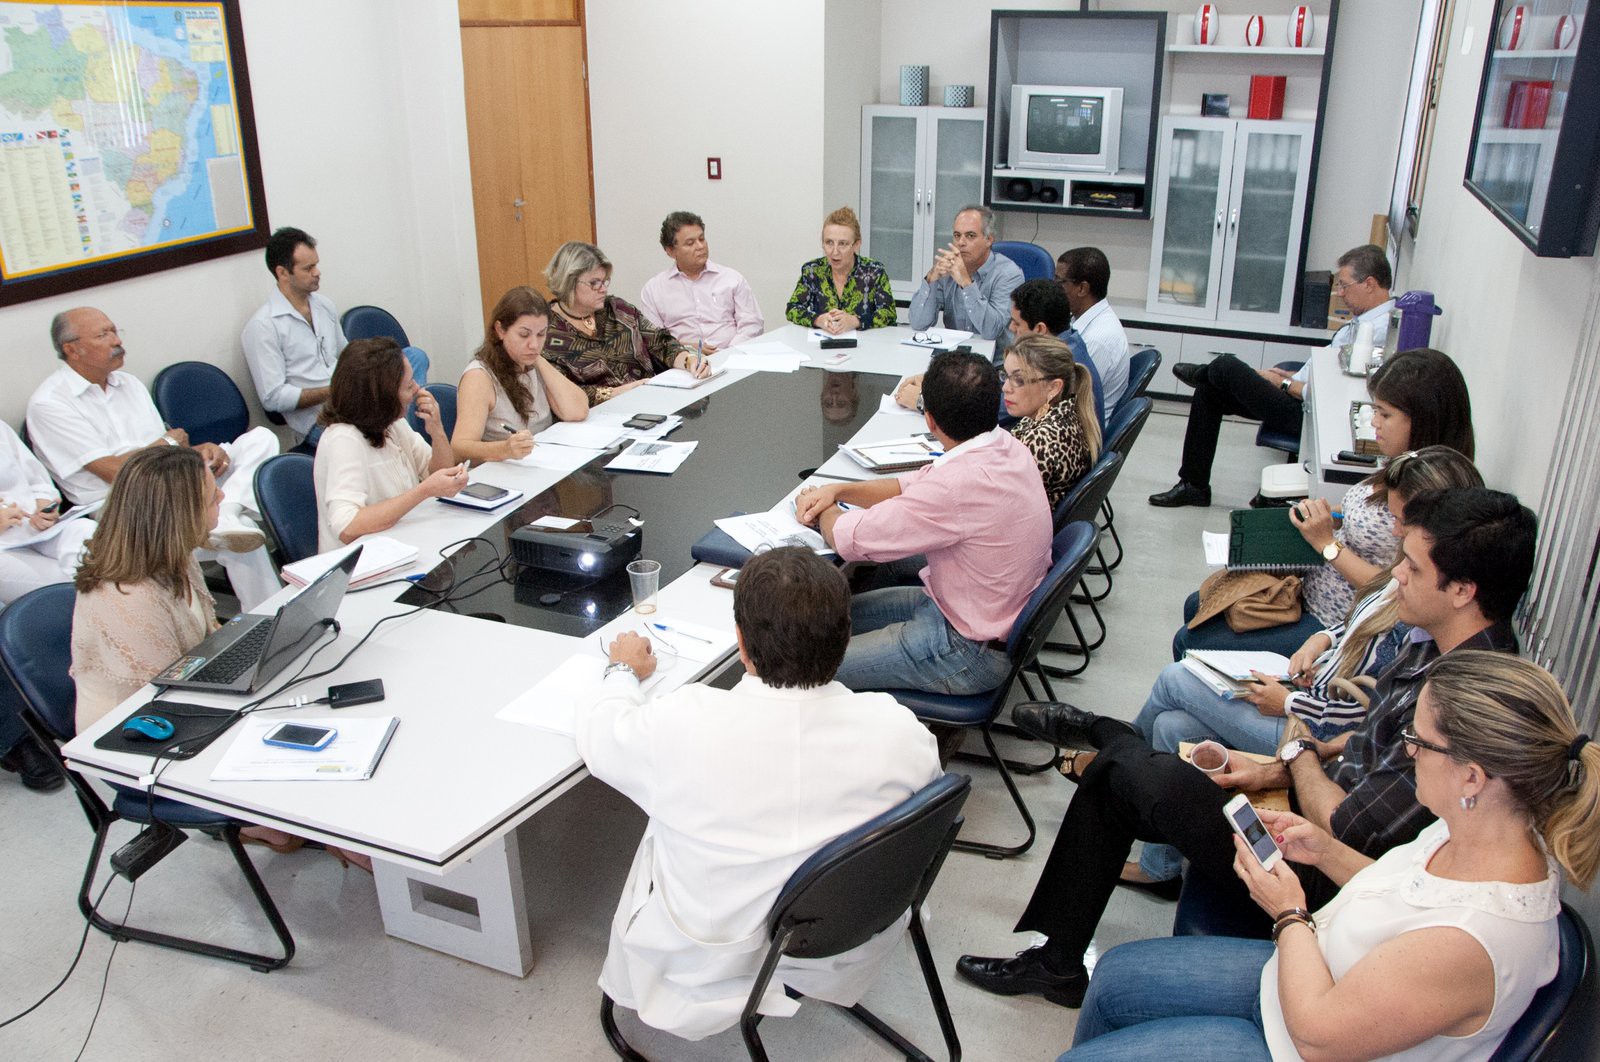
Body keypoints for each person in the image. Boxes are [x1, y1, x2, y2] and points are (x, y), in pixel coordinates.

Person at [954, 487, 1535, 1008]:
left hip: (1314, 871)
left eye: (1411, 566)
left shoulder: (1464, 709)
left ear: (1462, 589)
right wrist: (1278, 766)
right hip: (1304, 819)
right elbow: (1371, 745)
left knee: (1125, 770)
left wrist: (1294, 754)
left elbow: (1345, 830)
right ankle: (1059, 952)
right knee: (1137, 764)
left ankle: (1104, 748)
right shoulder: (1434, 644)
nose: (1395, 576)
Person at [1063, 651, 1595, 1061]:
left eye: (1419, 739)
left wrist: (1289, 912)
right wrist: (1322, 851)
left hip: (1297, 1042)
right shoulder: (1485, 831)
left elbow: (1318, 1036)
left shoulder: (1479, 937)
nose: (1407, 750)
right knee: (1112, 980)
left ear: (1472, 777)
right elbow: (1410, 895)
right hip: (1304, 981)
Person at [576, 546, 942, 1040]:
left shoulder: (685, 724)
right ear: (846, 638)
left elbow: (600, 738)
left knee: (658, 818)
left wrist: (622, 670)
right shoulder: (902, 731)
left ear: (741, 644)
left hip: (711, 953)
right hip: (840, 937)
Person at [1128, 446, 1484, 895]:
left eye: (1401, 523)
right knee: (1174, 725)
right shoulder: (1410, 594)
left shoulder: (1430, 654)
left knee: (1175, 679)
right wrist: (1320, 641)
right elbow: (1358, 625)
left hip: (1310, 728)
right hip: (1312, 710)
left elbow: (1351, 732)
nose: (1394, 534)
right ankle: (1160, 859)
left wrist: (1292, 710)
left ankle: (1123, 760)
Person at [70, 446, 372, 869]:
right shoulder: (128, 598)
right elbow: (165, 699)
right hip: (140, 737)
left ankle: (292, 821)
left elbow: (207, 638)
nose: (223, 501)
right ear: (178, 514)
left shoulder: (174, 555)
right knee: (306, 733)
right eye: (212, 498)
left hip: (187, 691)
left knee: (311, 699)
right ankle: (318, 826)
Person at [1174, 348, 1476, 658]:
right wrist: (1329, 517)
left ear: (1424, 419)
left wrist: (1327, 544)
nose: (1374, 423)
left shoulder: (1431, 492)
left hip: (1334, 621)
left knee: (1189, 640)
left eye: (1385, 414)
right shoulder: (1400, 466)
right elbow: (1365, 519)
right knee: (1195, 606)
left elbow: (1391, 587)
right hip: (1310, 589)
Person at [795, 350, 1052, 696]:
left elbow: (850, 539)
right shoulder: (1006, 444)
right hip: (963, 611)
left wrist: (817, 505)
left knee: (802, 669)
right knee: (823, 620)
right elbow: (912, 485)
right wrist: (840, 490)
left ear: (929, 420)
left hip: (966, 651)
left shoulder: (955, 486)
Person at [26, 306, 281, 610]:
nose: (115, 340)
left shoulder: (129, 384)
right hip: (127, 508)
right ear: (72, 349)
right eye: (103, 334)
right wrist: (171, 443)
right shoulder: (50, 404)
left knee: (260, 440)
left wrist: (195, 453)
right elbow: (117, 470)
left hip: (174, 484)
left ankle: (225, 512)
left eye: (115, 330)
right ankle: (267, 614)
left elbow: (165, 449)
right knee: (243, 538)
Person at [1151, 244, 1397, 507]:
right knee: (1209, 392)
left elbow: (1333, 392)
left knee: (1225, 366)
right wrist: (1288, 375)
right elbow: (1325, 369)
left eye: (1345, 286)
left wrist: (1284, 382)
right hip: (1299, 393)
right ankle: (1194, 485)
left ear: (1370, 283)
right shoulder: (1364, 322)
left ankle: (1204, 373)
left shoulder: (1380, 332)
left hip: (1309, 416)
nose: (1340, 293)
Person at [241, 226, 428, 447]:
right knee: (394, 418)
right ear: (282, 273)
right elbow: (273, 397)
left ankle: (405, 435)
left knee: (413, 357)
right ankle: (409, 439)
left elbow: (347, 355)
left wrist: (370, 375)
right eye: (308, 268)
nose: (317, 272)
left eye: (316, 265)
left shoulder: (323, 306)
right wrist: (334, 390)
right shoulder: (263, 326)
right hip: (320, 419)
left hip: (354, 397)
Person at [313, 338, 467, 552]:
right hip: (361, 566)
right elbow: (347, 527)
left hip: (401, 546)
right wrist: (423, 491)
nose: (416, 389)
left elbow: (440, 474)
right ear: (383, 396)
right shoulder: (344, 439)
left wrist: (437, 431)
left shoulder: (394, 425)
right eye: (408, 385)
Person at [893, 278, 1104, 427]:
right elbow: (996, 387)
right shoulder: (1069, 342)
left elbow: (986, 414)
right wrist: (943, 383)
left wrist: (924, 401)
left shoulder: (1057, 368)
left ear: (1040, 329)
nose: (1011, 328)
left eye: (1016, 322)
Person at [541, 241, 709, 404]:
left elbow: (660, 342)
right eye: (594, 283)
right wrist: (614, 393)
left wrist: (689, 360)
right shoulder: (547, 332)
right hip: (599, 418)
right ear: (568, 282)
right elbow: (561, 393)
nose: (603, 288)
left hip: (653, 402)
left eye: (605, 280)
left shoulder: (617, 310)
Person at [451, 286, 589, 464]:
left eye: (541, 334)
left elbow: (577, 411)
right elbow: (460, 446)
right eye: (524, 335)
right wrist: (504, 449)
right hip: (501, 471)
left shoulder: (533, 363)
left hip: (541, 464)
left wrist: (538, 359)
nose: (534, 344)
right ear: (500, 330)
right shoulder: (479, 377)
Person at [637, 211, 763, 352]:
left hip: (734, 359)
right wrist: (686, 349)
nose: (700, 246)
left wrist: (730, 353)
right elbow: (654, 341)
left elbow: (752, 324)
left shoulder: (731, 278)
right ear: (671, 251)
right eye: (690, 243)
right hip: (682, 365)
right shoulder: (654, 290)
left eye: (702, 239)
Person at [1001, 334, 1101, 510]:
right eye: (1006, 376)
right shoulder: (1062, 411)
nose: (1005, 388)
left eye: (1019, 380)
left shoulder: (1042, 442)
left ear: (1053, 387)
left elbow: (1000, 503)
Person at [908, 204, 1024, 350]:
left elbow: (991, 331)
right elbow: (918, 324)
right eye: (957, 235)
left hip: (994, 363)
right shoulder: (948, 269)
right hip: (954, 358)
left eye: (970, 236)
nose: (961, 243)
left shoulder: (1008, 274)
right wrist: (931, 279)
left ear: (989, 239)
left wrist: (966, 283)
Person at [784, 206, 898, 334]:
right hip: (822, 346)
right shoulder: (812, 271)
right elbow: (792, 309)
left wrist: (856, 321)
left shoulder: (874, 272)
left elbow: (889, 313)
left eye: (843, 244)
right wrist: (817, 319)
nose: (834, 251)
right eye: (829, 242)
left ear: (856, 245)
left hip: (864, 347)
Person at [1056, 247, 1130, 413]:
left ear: (1082, 289)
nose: (1055, 288)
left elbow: (1065, 399)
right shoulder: (1079, 317)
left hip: (1080, 427)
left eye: (1059, 282)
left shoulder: (1095, 340)